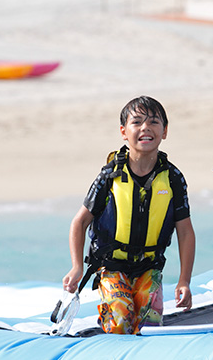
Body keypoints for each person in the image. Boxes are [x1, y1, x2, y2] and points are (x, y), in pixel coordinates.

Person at [63, 96, 195, 334]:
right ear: (124, 132)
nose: (146, 127)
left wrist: (184, 280)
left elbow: (185, 230)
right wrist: (76, 267)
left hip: (149, 267)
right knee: (122, 318)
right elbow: (79, 222)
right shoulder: (109, 175)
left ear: (165, 131)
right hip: (111, 265)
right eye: (137, 122)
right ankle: (108, 324)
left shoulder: (173, 178)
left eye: (154, 122)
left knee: (149, 326)